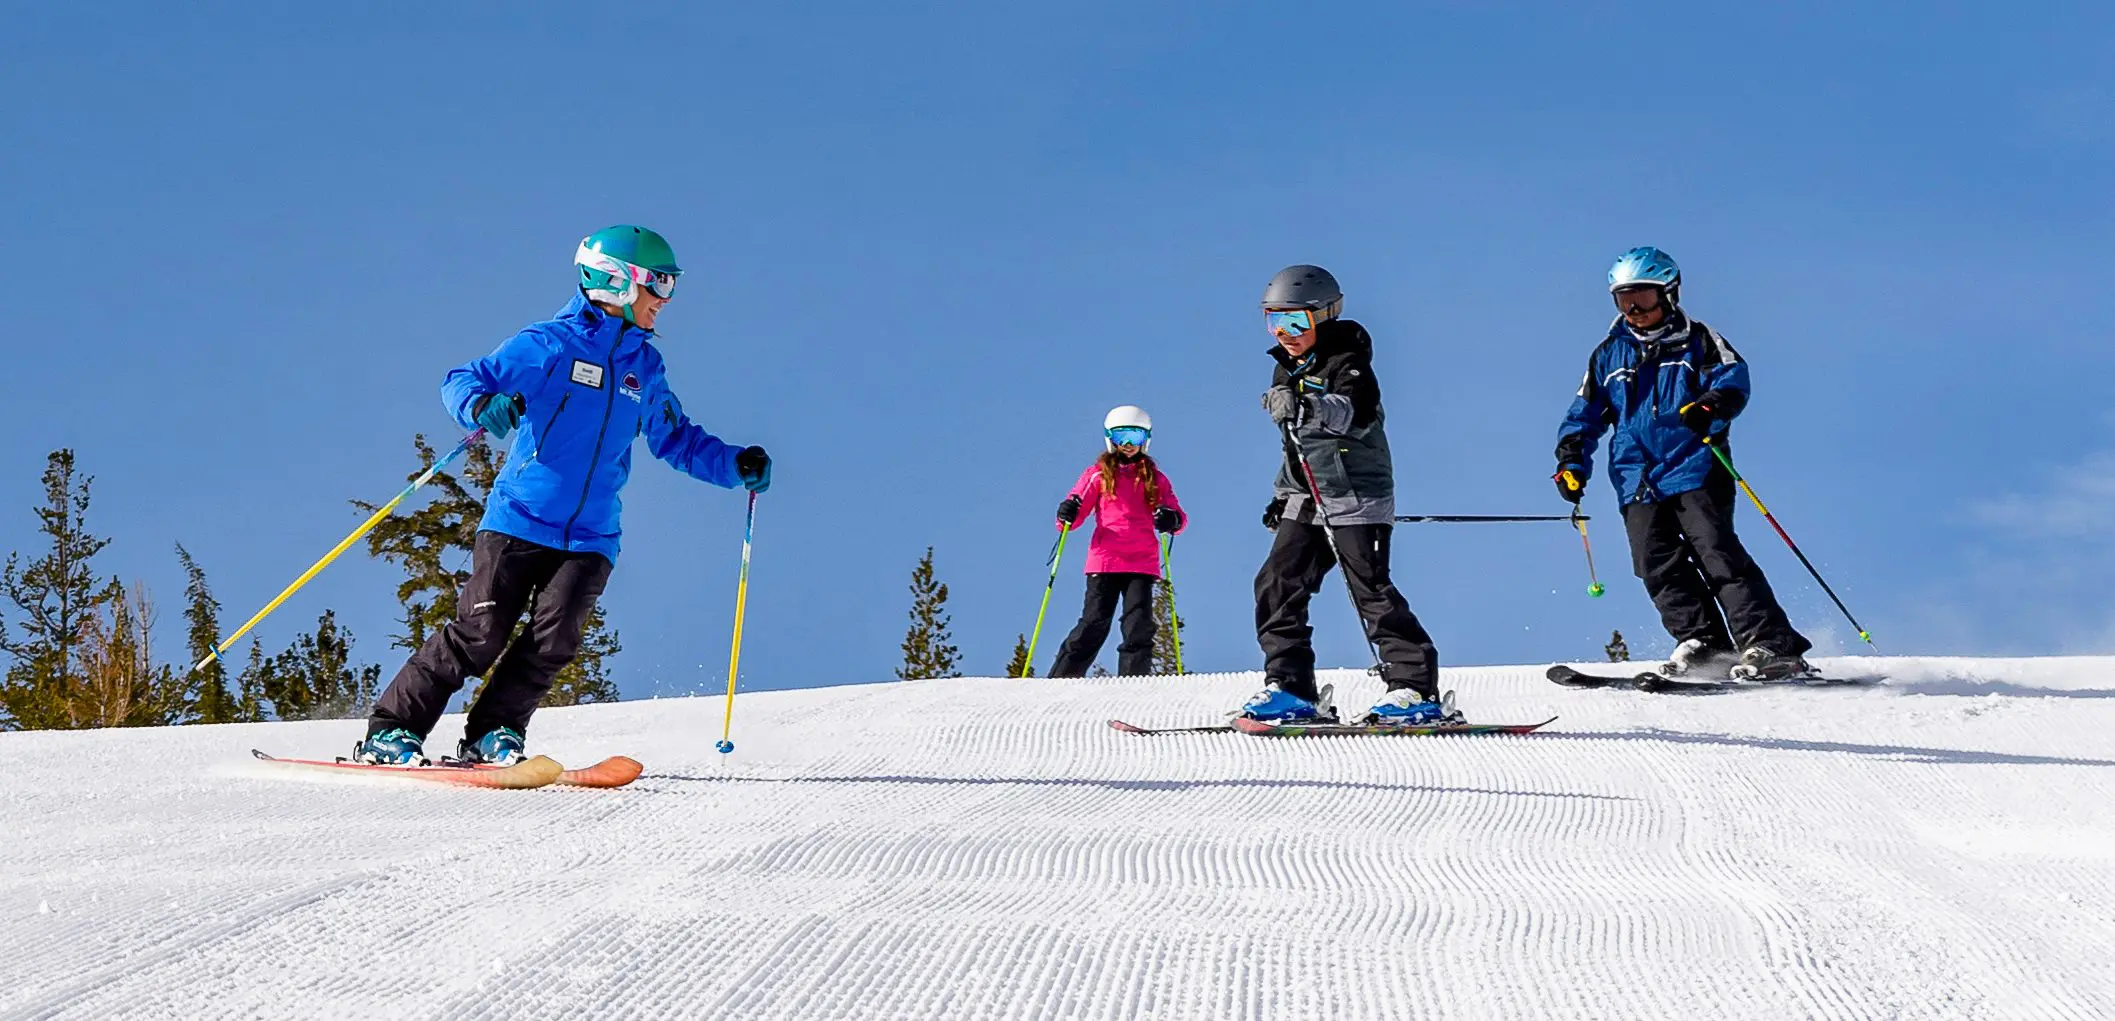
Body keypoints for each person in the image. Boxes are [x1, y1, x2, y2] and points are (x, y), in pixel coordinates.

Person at [357, 225, 771, 765]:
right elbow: (463, 379)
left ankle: (493, 733)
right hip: (520, 521)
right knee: (481, 633)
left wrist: (734, 464)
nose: (665, 302)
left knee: (554, 643)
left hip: (593, 535)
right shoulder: (550, 344)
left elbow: (675, 438)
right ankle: (393, 729)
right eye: (659, 286)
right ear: (618, 282)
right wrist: (483, 406)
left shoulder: (644, 367)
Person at [1554, 246, 1812, 680]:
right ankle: (1704, 642)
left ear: (1669, 294)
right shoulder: (1607, 355)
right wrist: (1571, 460)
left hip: (1694, 464)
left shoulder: (1700, 340)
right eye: (1624, 299)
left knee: (1716, 552)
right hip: (1635, 476)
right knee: (1655, 563)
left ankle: (1771, 643)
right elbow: (1583, 414)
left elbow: (1732, 381)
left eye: (1644, 297)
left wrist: (1709, 407)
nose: (1634, 308)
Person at [1241, 265, 1451, 726]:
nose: (1285, 332)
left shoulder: (1349, 361)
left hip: (1357, 495)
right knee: (1276, 583)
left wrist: (1308, 404)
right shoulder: (1286, 366)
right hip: (1307, 495)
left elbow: (1354, 413)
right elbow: (1293, 445)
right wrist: (1282, 494)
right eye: (1274, 321)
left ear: (1325, 316)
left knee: (1369, 590)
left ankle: (1414, 688)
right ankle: (1291, 687)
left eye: (1297, 321)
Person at [1048, 406, 1186, 677]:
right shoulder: (1098, 474)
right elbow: (1074, 513)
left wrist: (1171, 520)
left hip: (1141, 562)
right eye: (1121, 437)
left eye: (1134, 437)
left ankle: (1134, 681)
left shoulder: (1155, 479)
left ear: (1145, 440)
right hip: (1106, 558)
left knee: (1139, 624)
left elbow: (1178, 515)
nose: (1128, 445)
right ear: (1110, 439)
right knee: (1094, 622)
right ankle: (1062, 678)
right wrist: (1068, 511)